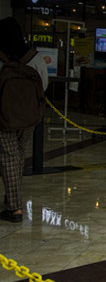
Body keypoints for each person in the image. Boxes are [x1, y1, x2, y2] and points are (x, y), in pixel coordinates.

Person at [0, 17, 49, 223]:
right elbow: (43, 84)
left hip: (4, 116)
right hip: (30, 117)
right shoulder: (34, 57)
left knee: (9, 156)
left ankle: (14, 207)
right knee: (18, 155)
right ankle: (12, 197)